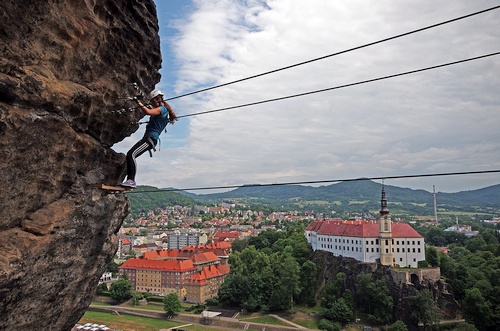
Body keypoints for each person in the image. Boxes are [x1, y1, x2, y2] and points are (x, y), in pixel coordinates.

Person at [121, 88, 178, 188]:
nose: (152, 104)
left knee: (131, 154)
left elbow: (148, 112)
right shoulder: (164, 111)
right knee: (130, 156)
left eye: (153, 101)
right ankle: (126, 178)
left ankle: (131, 180)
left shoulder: (162, 109)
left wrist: (138, 102)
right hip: (148, 139)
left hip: (150, 139)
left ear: (159, 99)